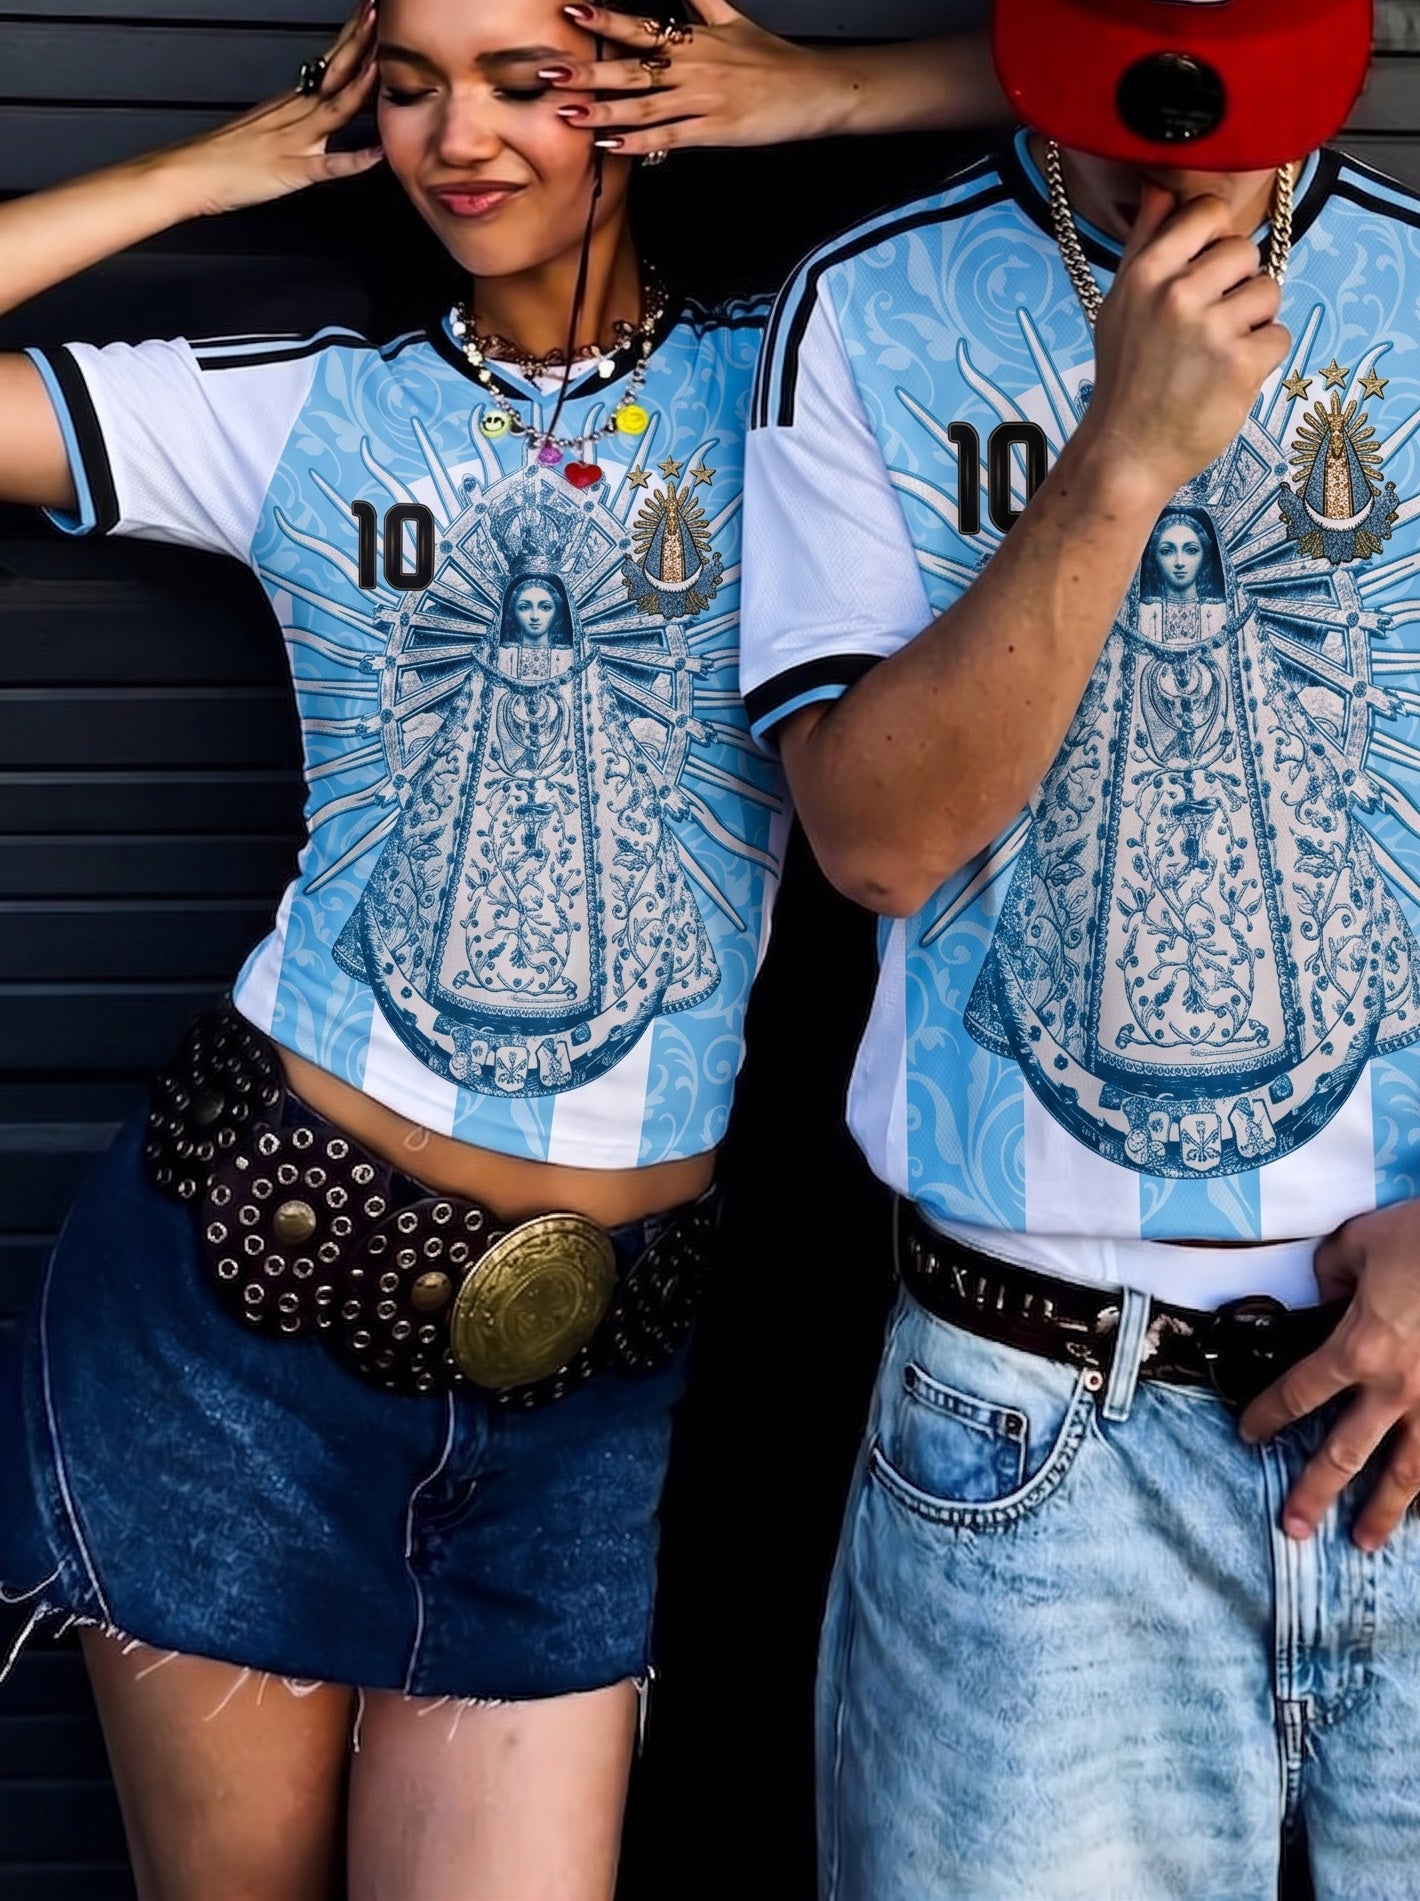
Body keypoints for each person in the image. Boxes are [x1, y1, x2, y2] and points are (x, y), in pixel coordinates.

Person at [0, 5, 1007, 1897]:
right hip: (237, 1322)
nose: (460, 136)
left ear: (638, 91)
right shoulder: (298, 403)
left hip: (591, 1386)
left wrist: (832, 90)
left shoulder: (811, 386)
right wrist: (215, 167)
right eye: (411, 86)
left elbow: (1163, 113)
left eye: (528, 78)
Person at [739, 0, 1420, 1892]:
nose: (1186, 167)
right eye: (1127, 112)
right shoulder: (871, 314)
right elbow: (874, 839)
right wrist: (1119, 462)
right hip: (1035, 1432)